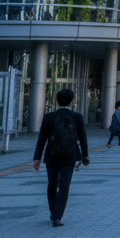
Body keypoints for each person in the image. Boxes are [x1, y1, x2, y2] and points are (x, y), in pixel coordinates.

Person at [32, 88, 91, 227]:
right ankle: (58, 216)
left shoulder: (49, 117)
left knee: (52, 183)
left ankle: (53, 212)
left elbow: (42, 138)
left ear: (57, 101)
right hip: (70, 155)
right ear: (71, 101)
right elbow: (83, 138)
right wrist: (85, 155)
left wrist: (37, 158)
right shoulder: (77, 117)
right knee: (65, 185)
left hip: (52, 155)